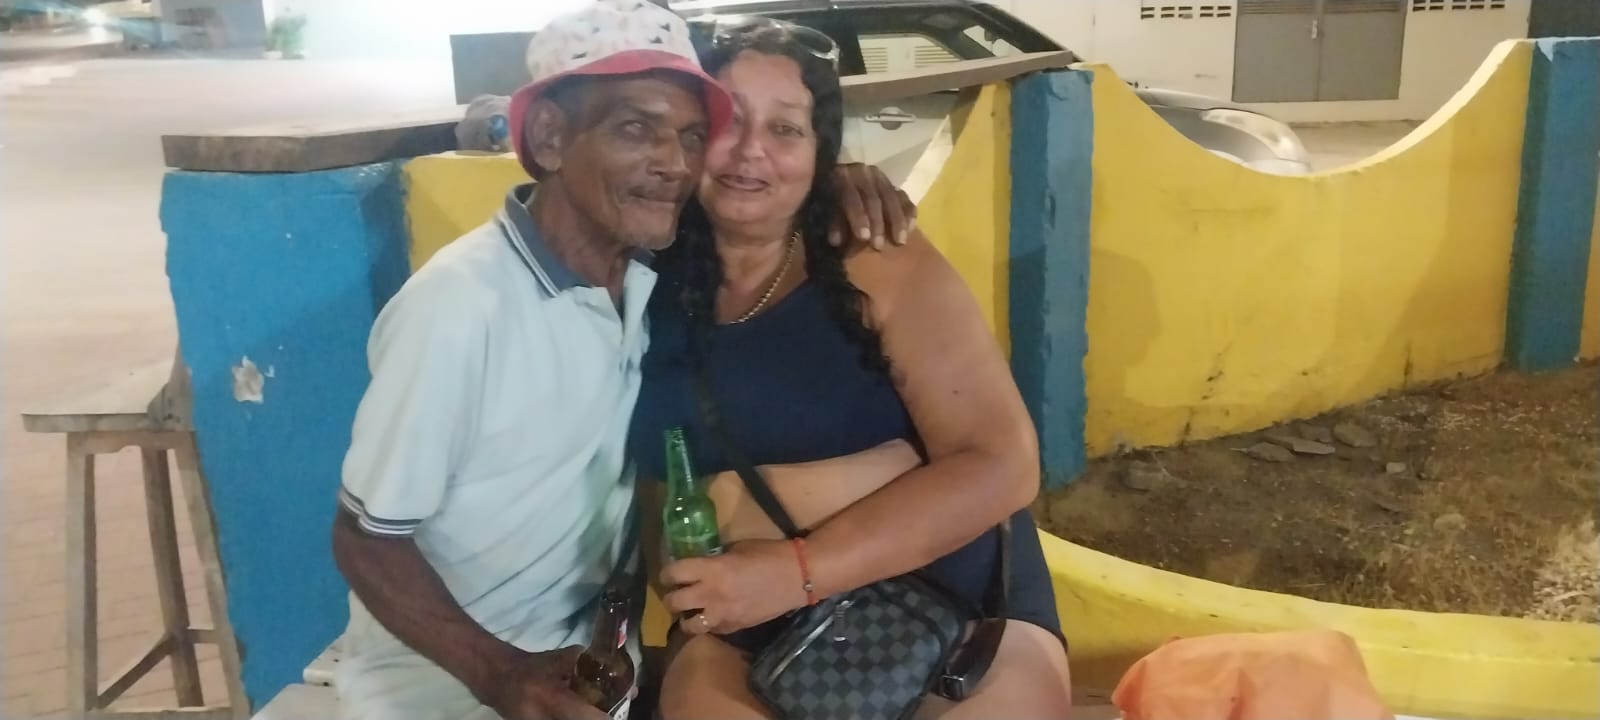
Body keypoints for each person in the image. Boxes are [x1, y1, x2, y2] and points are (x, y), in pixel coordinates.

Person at [329, 3, 913, 720]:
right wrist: (500, 674)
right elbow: (364, 539)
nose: (674, 163)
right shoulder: (458, 310)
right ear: (550, 137)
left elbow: (764, 195)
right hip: (449, 697)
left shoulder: (647, 272)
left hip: (594, 681)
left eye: (691, 136)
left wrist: (839, 180)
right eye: (636, 128)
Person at [627, 18, 1074, 720]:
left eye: (786, 130)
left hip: (949, 606)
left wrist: (796, 568)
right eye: (728, 122)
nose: (751, 151)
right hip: (751, 620)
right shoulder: (643, 283)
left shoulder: (874, 256)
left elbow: (1003, 463)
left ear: (820, 152)